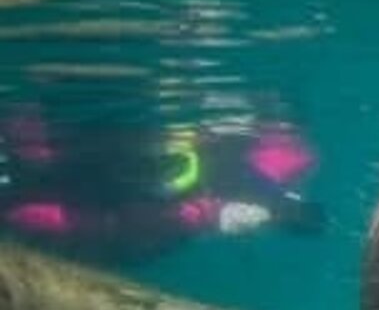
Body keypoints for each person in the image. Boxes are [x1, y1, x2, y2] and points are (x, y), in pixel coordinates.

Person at [1, 107, 325, 268]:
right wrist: (204, 215)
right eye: (140, 167)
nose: (151, 178)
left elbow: (284, 175)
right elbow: (31, 216)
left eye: (167, 166)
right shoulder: (65, 167)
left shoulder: (226, 163)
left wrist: (283, 209)